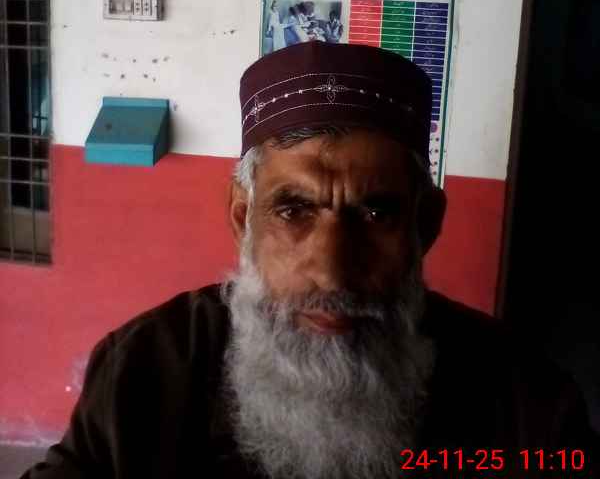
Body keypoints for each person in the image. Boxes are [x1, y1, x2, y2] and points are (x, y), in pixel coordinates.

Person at [21, 42, 600, 479]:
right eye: (293, 210)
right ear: (243, 219)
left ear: (425, 225)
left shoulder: (528, 408)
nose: (332, 270)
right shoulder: (147, 368)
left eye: (375, 213)